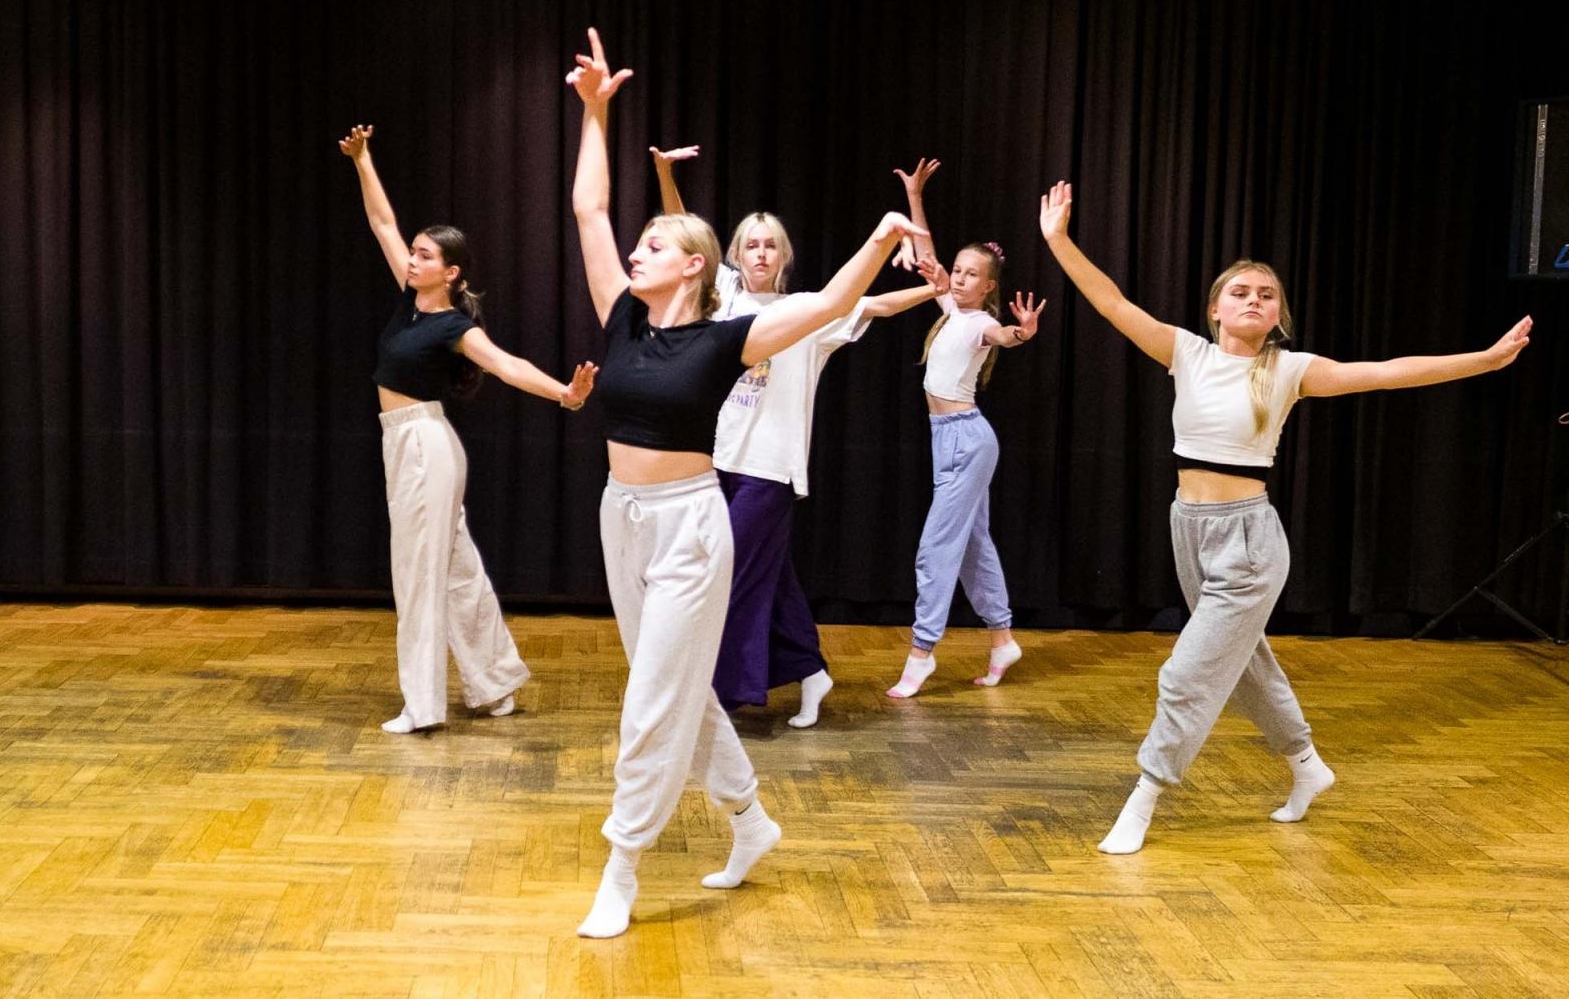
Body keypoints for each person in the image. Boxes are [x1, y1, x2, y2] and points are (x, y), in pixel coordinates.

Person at [1038, 178, 1532, 853]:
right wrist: (1058, 239)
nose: (1253, 299)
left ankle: (1145, 796)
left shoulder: (1292, 370)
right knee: (1244, 665)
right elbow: (1110, 300)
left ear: (1278, 314)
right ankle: (1306, 766)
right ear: (1215, 307)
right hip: (1189, 529)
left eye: (1266, 294)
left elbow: (1388, 372)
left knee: (1188, 673)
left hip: (1248, 540)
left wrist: (1486, 360)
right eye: (1240, 291)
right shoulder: (1186, 353)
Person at [566, 28, 926, 937]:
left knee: (651, 697)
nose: (636, 251)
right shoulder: (621, 318)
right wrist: (596, 116)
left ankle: (624, 864)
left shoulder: (731, 336)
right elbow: (587, 212)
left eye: (655, 244)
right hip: (622, 517)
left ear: (694, 264)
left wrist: (885, 234)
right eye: (638, 244)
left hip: (693, 526)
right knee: (675, 684)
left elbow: (834, 303)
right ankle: (751, 819)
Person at [650, 146, 954, 728]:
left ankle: (713, 694)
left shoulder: (809, 312)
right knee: (773, 577)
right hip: (715, 464)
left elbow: (876, 303)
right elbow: (683, 234)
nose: (760, 252)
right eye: (750, 244)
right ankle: (811, 671)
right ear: (735, 254)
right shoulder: (720, 299)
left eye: (770, 244)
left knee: (728, 573)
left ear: (783, 256)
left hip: (769, 469)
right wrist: (665, 175)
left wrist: (933, 290)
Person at [338, 124, 597, 734]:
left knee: (420, 574)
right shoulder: (408, 302)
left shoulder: (454, 326)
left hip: (425, 444)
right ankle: (496, 682)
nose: (412, 258)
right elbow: (382, 223)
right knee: (455, 570)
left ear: (451, 273)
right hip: (404, 441)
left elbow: (507, 366)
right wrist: (364, 160)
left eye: (425, 255)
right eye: (415, 251)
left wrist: (565, 393)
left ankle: (423, 708)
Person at [884, 159, 1046, 699]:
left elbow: (1004, 338)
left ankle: (921, 652)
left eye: (972, 273)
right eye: (958, 269)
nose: (958, 276)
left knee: (936, 548)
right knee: (974, 545)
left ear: (990, 286)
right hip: (947, 441)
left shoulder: (979, 323)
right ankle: (1003, 640)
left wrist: (1022, 334)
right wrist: (916, 195)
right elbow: (926, 253)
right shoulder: (952, 309)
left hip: (968, 441)